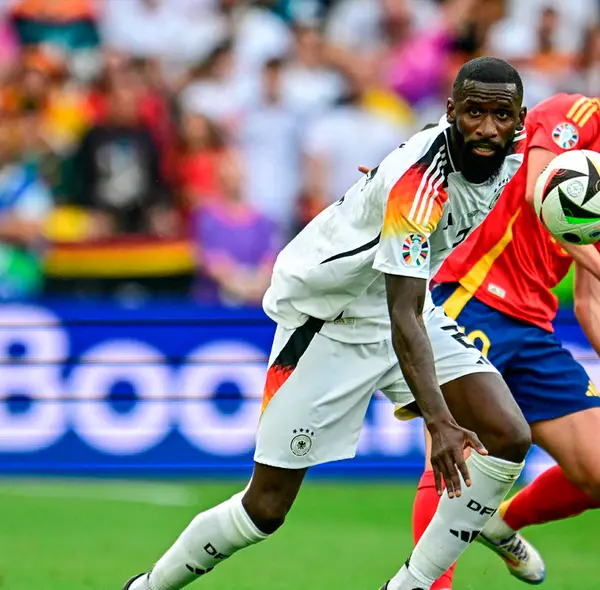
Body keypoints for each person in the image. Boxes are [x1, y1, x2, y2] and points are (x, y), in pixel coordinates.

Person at [123, 56, 532, 590]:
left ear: (518, 119)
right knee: (263, 510)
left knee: (508, 434)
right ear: (451, 111)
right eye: (473, 113)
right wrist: (438, 422)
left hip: (401, 308)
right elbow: (401, 311)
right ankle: (148, 587)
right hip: (328, 320)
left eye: (501, 116)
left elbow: (408, 309)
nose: (486, 128)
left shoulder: (516, 150)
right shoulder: (417, 186)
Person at [403, 32, 600, 588]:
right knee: (453, 461)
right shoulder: (575, 112)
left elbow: (593, 302)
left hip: (534, 327)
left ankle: (498, 523)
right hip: (471, 300)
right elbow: (541, 185)